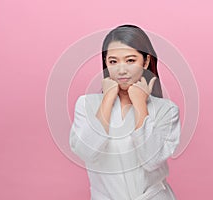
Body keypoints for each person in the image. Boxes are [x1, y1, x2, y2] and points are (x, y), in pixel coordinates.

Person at [70, 24, 181, 200]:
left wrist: (140, 105)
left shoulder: (166, 110)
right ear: (105, 62)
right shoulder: (86, 105)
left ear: (145, 61)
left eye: (130, 60)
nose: (121, 70)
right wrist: (107, 99)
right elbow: (86, 152)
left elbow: (151, 161)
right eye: (113, 61)